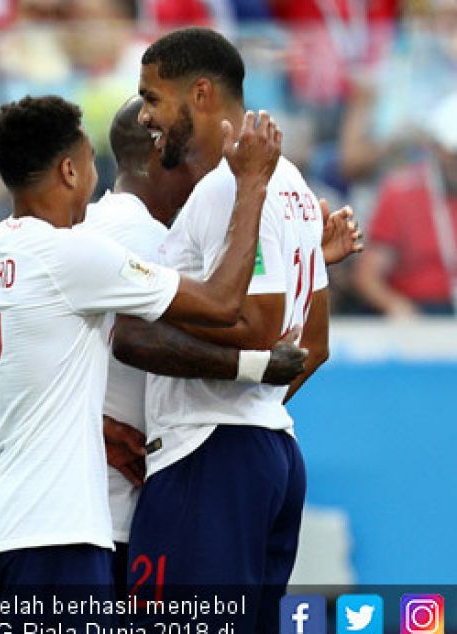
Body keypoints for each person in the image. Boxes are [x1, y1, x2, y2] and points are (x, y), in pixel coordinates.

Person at [0, 94, 281, 630]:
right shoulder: (72, 254)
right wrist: (251, 185)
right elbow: (220, 302)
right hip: (61, 530)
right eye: (90, 164)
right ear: (70, 169)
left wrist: (90, 425)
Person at [88, 96, 362, 599]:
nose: (219, 164)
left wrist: (299, 259)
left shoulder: (106, 233)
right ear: (160, 148)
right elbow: (195, 323)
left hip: (142, 495)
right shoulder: (145, 241)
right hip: (118, 511)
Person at [111, 27, 332, 632]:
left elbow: (260, 325)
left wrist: (224, 396)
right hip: (268, 450)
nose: (146, 117)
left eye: (152, 98)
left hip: (209, 459)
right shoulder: (290, 184)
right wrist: (253, 397)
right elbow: (315, 343)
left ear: (201, 94)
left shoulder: (229, 188)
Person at [354, 92, 457, 318]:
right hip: (420, 310)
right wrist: (395, 305)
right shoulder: (402, 193)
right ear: (436, 149)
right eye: (453, 154)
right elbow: (369, 275)